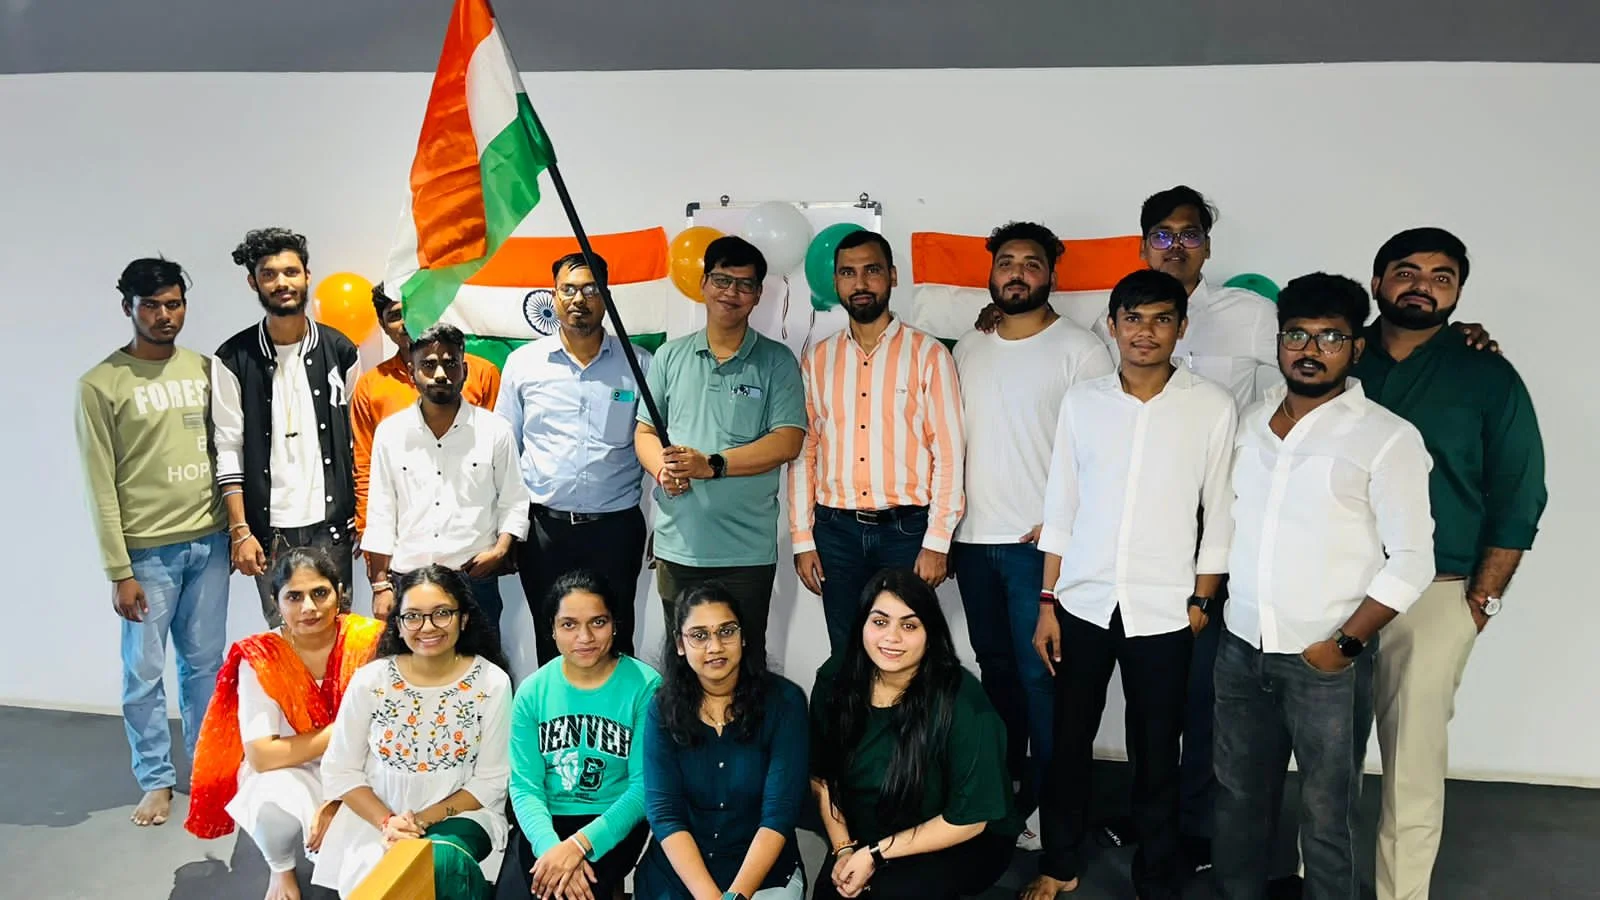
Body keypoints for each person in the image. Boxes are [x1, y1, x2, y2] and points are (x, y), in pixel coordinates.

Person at [1213, 273, 1435, 900]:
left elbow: (1413, 559)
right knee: (1236, 800)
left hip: (1326, 659)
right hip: (1241, 646)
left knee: (1327, 813)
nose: (1310, 350)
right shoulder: (1250, 422)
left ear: (1356, 348)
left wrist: (1344, 646)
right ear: (1279, 343)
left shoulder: (1387, 437)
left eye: (1331, 337)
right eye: (1297, 335)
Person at [1023, 270, 1237, 900]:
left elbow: (1221, 512)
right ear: (1113, 325)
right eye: (1134, 318)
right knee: (1068, 742)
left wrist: (1202, 600)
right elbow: (1061, 506)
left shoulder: (1211, 405)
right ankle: (1059, 862)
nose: (1146, 332)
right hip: (1082, 603)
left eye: (1161, 319)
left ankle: (1156, 875)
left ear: (1181, 327)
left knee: (1157, 749)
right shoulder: (1083, 402)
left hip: (1166, 609)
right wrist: (1047, 602)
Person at [1357, 228, 1547, 900]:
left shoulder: (1486, 375)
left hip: (1434, 595)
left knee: (1412, 765)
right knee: (1320, 761)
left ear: (1459, 291)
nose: (1422, 286)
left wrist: (1481, 600)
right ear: (1378, 281)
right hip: (1332, 590)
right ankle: (1313, 883)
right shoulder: (1339, 356)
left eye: (1442, 277)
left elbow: (1520, 491)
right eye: (1406, 271)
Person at [950, 221, 1115, 842]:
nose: (1017, 272)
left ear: (1051, 275)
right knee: (995, 675)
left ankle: (1054, 809)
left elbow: (1103, 448)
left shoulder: (1080, 349)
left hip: (1037, 550)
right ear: (992, 273)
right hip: (973, 543)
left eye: (1031, 263)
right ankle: (1004, 798)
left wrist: (1066, 523)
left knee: (1042, 681)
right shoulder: (970, 346)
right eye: (1007, 262)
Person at [75, 257, 231, 828]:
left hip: (210, 543)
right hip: (146, 555)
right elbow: (100, 483)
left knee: (205, 667)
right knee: (143, 674)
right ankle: (156, 779)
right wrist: (119, 569)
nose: (165, 316)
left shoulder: (206, 370)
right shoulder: (100, 385)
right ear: (128, 308)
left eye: (174, 304)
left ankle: (207, 773)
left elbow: (229, 452)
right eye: (151, 306)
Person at [790, 230, 965, 655]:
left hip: (907, 532)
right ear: (836, 281)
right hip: (835, 533)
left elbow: (948, 453)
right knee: (847, 651)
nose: (861, 283)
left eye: (872, 270)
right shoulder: (817, 359)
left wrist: (937, 540)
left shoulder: (929, 355)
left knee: (906, 652)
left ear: (892, 276)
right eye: (848, 273)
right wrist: (802, 537)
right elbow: (805, 452)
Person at [634, 236, 807, 663]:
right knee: (684, 663)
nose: (732, 292)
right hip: (679, 546)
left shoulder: (777, 361)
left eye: (745, 285)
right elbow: (645, 432)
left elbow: (788, 440)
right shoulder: (670, 356)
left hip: (746, 551)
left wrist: (712, 464)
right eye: (722, 280)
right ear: (704, 284)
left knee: (744, 663)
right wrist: (663, 471)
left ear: (758, 295)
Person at [185, 548, 384, 900]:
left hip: (363, 763)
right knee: (270, 800)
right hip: (294, 768)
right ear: (276, 602)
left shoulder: (369, 641)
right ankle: (280, 866)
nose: (309, 607)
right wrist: (344, 729)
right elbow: (263, 756)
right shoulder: (263, 657)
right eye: (294, 597)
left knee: (368, 867)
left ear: (340, 593)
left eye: (320, 593)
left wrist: (341, 796)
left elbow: (388, 728)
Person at [810, 569, 1020, 900]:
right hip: (866, 829)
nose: (891, 637)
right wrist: (844, 849)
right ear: (862, 625)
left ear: (930, 633)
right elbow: (822, 778)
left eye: (909, 626)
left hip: (957, 835)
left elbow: (970, 819)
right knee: (830, 894)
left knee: (889, 893)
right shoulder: (836, 678)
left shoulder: (965, 704)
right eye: (880, 622)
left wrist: (875, 854)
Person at [312, 565, 514, 899]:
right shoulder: (371, 680)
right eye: (413, 617)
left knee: (437, 865)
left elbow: (491, 780)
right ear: (399, 624)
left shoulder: (492, 682)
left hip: (463, 816)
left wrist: (418, 821)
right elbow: (340, 770)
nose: (427, 627)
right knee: (383, 886)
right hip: (376, 818)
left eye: (442, 614)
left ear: (463, 619)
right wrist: (389, 822)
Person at [499, 253, 651, 664]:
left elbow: (653, 444)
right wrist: (506, 530)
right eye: (568, 289)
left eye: (590, 289)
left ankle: (618, 709)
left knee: (615, 640)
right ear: (554, 296)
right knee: (553, 643)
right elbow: (505, 452)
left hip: (615, 529)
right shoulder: (523, 364)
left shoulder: (639, 364)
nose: (578, 299)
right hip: (544, 532)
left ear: (606, 295)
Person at [213, 227, 361, 627]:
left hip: (331, 525)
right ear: (253, 282)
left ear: (307, 276)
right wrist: (240, 530)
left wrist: (362, 517)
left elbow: (356, 441)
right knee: (284, 638)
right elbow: (228, 447)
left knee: (336, 634)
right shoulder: (233, 358)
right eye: (269, 274)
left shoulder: (340, 351)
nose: (282, 283)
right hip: (269, 530)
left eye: (291, 272)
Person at [635, 584, 810, 900]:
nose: (715, 646)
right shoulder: (662, 708)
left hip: (761, 877)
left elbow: (779, 813)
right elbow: (664, 813)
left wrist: (735, 896)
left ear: (743, 637)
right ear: (680, 644)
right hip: (679, 877)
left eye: (726, 631)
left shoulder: (785, 703)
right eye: (699, 635)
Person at [361, 323, 528, 628]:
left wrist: (500, 551)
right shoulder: (391, 433)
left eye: (450, 364)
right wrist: (380, 584)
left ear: (464, 370)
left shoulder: (494, 430)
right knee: (414, 659)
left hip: (474, 580)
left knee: (481, 658)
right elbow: (381, 510)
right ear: (412, 373)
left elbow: (514, 499)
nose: (440, 374)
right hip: (409, 579)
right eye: (428, 365)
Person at [507, 570, 660, 900]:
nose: (585, 637)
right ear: (552, 629)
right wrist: (551, 849)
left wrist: (578, 846)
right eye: (569, 624)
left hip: (614, 818)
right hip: (546, 819)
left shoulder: (645, 686)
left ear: (615, 624)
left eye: (598, 622)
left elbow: (643, 787)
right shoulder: (532, 692)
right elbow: (525, 786)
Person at [352, 282, 499, 546]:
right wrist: (367, 531)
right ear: (383, 326)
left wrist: (503, 539)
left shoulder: (481, 374)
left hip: (472, 533)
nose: (407, 321)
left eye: (415, 309)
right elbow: (365, 465)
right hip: (405, 537)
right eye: (395, 315)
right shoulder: (371, 386)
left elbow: (501, 459)